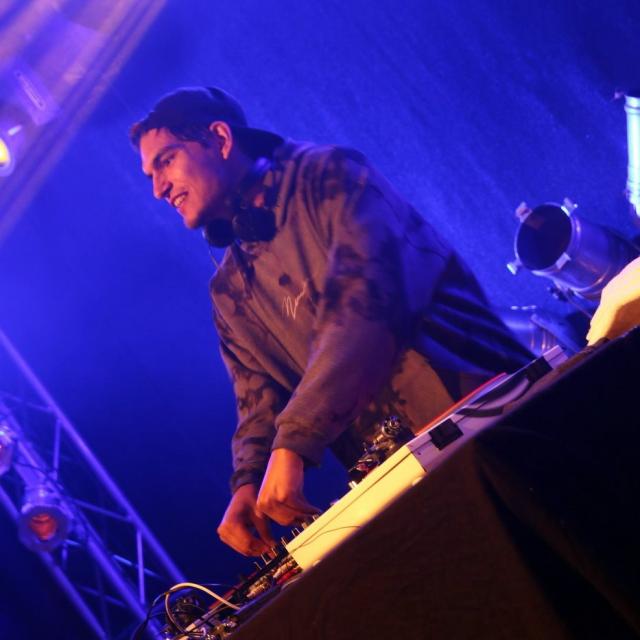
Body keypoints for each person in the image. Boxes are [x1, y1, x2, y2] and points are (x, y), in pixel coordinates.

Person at [130, 86, 533, 557]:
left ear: (219, 139)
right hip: (414, 480)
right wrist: (247, 483)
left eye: (166, 162)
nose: (158, 189)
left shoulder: (330, 175)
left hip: (500, 418)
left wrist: (295, 443)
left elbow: (364, 307)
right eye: (150, 176)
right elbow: (257, 402)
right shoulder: (228, 291)